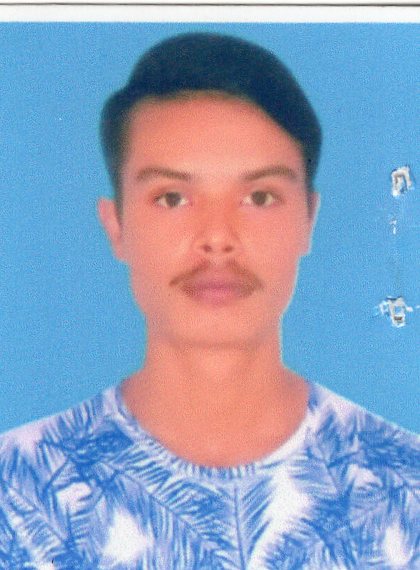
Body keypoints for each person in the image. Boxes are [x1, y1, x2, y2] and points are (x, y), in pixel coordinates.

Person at [0, 32, 418, 569]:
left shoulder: (403, 491)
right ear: (116, 225)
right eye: (173, 198)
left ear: (308, 220)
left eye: (259, 197)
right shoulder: (19, 496)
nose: (218, 238)